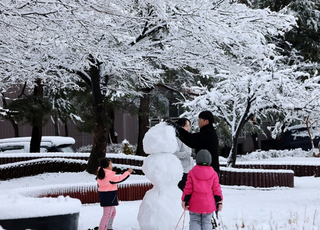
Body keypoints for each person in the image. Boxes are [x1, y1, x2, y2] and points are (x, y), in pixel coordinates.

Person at [167, 110, 220, 175]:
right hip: (208, 169)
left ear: (206, 121)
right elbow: (192, 143)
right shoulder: (208, 132)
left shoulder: (208, 133)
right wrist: (180, 136)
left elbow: (191, 138)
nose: (198, 121)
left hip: (209, 171)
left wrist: (178, 128)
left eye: (200, 119)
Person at [182, 149, 223, 230]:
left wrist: (185, 200)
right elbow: (216, 189)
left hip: (194, 204)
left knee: (194, 220)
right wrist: (219, 201)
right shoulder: (213, 174)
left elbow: (188, 189)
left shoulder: (192, 173)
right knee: (207, 222)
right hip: (208, 205)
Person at [96, 158, 133, 230]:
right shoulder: (108, 175)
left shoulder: (100, 174)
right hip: (109, 197)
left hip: (105, 196)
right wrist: (128, 172)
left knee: (112, 212)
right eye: (110, 164)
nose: (112, 165)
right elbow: (120, 179)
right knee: (107, 215)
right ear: (107, 166)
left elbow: (99, 185)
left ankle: (108, 227)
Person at [173, 118, 194, 191]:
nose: (188, 128)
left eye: (189, 126)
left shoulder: (188, 138)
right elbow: (175, 154)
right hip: (182, 171)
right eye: (186, 126)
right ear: (181, 126)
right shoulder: (178, 139)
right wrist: (189, 154)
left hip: (190, 171)